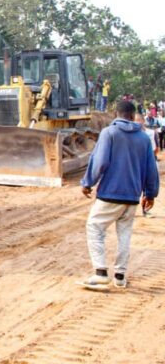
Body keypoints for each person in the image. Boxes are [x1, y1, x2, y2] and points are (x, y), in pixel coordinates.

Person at [79, 100, 159, 290]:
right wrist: (150, 194)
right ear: (132, 116)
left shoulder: (109, 133)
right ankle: (120, 276)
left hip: (110, 193)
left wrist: (87, 182)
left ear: (117, 114)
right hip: (131, 197)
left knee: (94, 228)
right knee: (124, 234)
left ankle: (100, 273)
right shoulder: (143, 138)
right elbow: (151, 169)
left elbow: (99, 162)